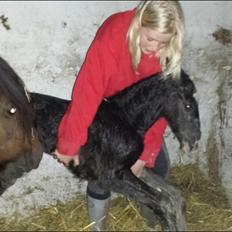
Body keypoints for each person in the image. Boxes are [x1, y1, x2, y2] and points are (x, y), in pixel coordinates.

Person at [54, 0, 185, 230]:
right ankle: (98, 226)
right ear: (138, 24)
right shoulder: (112, 37)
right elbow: (87, 93)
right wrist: (70, 143)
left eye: (162, 42)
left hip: (139, 111)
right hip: (107, 106)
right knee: (103, 169)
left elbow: (162, 103)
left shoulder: (167, 52)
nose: (154, 48)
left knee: (160, 164)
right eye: (150, 38)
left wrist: (145, 153)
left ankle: (151, 217)